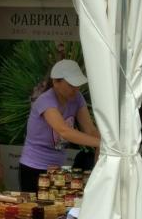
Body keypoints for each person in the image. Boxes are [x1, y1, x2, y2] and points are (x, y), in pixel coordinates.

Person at [18, 59, 100, 193]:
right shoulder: (45, 100)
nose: (76, 89)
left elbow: (90, 129)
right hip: (33, 168)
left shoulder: (77, 98)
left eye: (78, 85)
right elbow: (64, 131)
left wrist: (105, 145)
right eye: (71, 85)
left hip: (58, 170)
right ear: (56, 82)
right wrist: (99, 142)